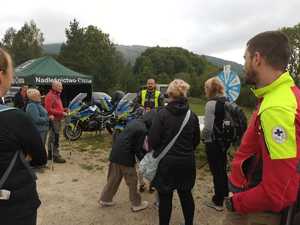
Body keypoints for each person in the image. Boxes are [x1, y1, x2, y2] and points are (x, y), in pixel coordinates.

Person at [223, 31, 300, 225]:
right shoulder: (281, 94)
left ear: (257, 58)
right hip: (253, 201)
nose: (244, 64)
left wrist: (235, 203)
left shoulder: (276, 108)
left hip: (256, 211)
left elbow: (278, 192)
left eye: (245, 58)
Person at [0, 48, 47, 225]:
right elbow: (40, 158)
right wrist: (22, 155)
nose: (11, 79)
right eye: (10, 74)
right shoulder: (14, 118)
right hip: (13, 208)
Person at [148, 79, 200, 225]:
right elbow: (196, 141)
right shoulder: (192, 116)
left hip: (166, 164)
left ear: (169, 93)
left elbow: (152, 141)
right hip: (187, 162)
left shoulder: (162, 114)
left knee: (165, 198)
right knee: (186, 195)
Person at [99, 111, 156, 212]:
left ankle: (105, 199)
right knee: (132, 181)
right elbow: (137, 148)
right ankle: (136, 204)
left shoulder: (134, 122)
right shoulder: (142, 129)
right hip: (125, 157)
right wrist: (146, 161)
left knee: (113, 178)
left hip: (115, 153)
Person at [202, 77, 230, 211]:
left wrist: (204, 140)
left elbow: (207, 128)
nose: (205, 90)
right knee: (222, 169)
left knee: (216, 171)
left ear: (210, 89)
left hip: (213, 142)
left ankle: (217, 201)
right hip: (225, 141)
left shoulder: (210, 104)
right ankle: (224, 194)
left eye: (206, 88)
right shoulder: (226, 101)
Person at [45, 80, 67, 163]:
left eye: (61, 86)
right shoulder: (50, 96)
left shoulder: (57, 95)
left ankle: (51, 155)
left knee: (53, 136)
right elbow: (48, 109)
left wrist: (64, 109)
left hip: (58, 119)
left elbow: (56, 107)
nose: (61, 88)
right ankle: (55, 155)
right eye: (59, 86)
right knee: (55, 137)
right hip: (54, 119)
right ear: (54, 87)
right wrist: (61, 112)